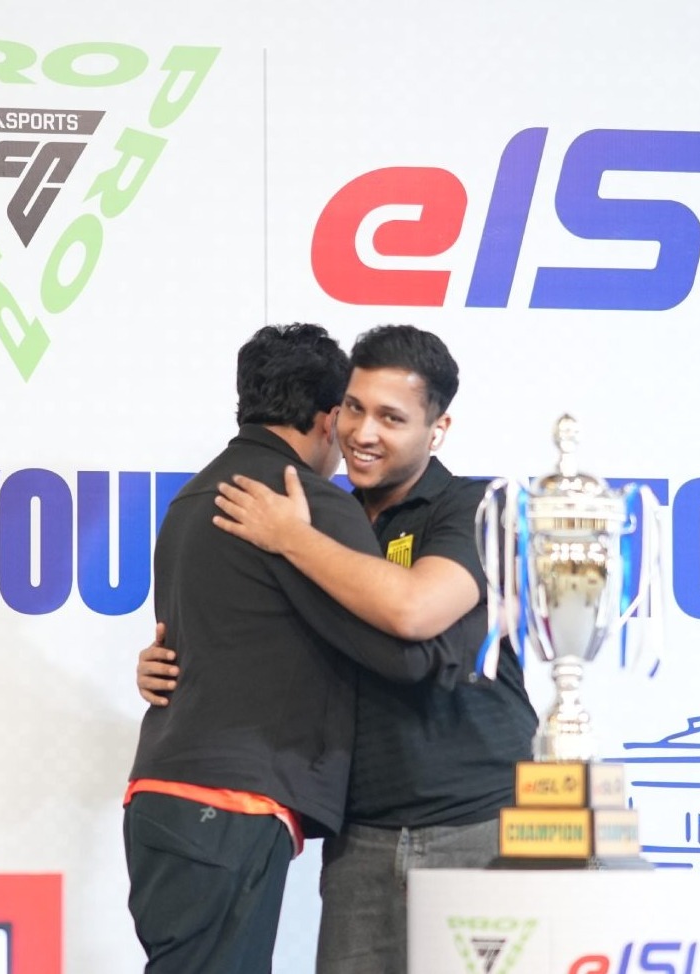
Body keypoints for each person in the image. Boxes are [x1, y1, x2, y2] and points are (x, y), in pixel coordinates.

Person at [138, 324, 536, 974]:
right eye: (353, 407)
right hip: (361, 838)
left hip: (478, 823)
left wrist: (293, 539)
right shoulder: (320, 510)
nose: (362, 432)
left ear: (437, 430)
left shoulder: (477, 506)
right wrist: (174, 663)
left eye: (391, 417)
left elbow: (413, 609)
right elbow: (260, 633)